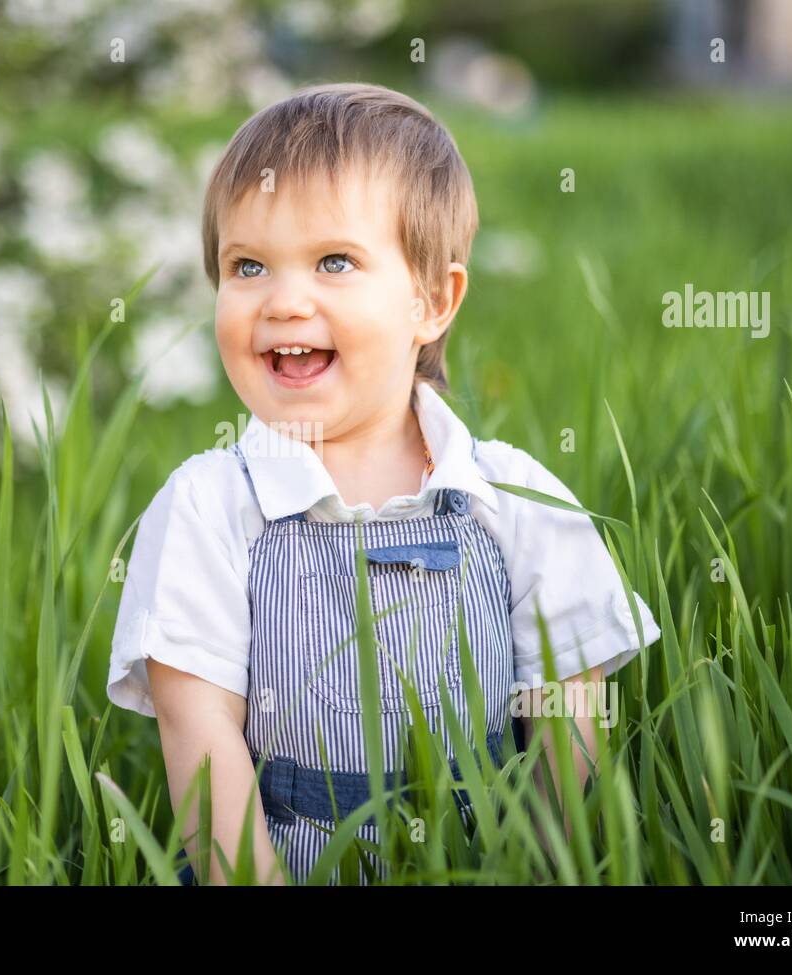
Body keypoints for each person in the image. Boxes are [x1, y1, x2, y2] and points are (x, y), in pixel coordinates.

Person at [107, 82, 662, 886]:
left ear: (433, 299)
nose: (284, 300)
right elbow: (202, 741)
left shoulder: (514, 498)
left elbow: (567, 712)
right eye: (248, 265)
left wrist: (532, 866)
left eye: (335, 261)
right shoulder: (210, 507)